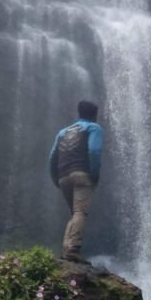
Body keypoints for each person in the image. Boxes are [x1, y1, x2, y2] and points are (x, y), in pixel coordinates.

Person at [48, 100, 103, 262]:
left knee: (74, 213)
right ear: (94, 115)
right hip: (81, 174)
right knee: (80, 212)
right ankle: (73, 248)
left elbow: (52, 157)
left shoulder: (63, 132)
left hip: (63, 176)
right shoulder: (94, 128)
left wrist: (55, 178)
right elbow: (94, 151)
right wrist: (93, 173)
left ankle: (66, 249)